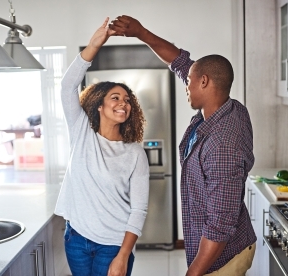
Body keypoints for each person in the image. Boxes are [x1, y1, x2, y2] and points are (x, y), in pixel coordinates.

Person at [109, 16, 256, 276]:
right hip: (217, 247)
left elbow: (220, 226)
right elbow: (179, 63)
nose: (185, 84)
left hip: (221, 258)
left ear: (204, 82)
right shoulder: (229, 108)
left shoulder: (222, 145)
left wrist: (193, 273)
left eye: (189, 81)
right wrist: (141, 32)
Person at [54, 17, 150, 276]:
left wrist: (123, 255)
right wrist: (95, 43)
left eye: (127, 100)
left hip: (114, 244)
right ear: (99, 105)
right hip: (76, 239)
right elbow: (67, 86)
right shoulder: (81, 131)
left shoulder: (134, 153)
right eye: (115, 97)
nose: (123, 103)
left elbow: (139, 209)